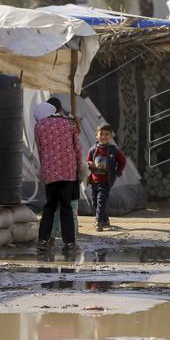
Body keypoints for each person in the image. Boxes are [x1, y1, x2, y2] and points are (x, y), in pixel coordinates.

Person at [34, 100, 82, 253]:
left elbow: (40, 150)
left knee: (49, 206)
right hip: (68, 172)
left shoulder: (39, 126)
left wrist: (44, 169)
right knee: (66, 207)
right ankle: (69, 244)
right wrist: (79, 167)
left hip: (50, 172)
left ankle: (43, 240)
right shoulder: (69, 123)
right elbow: (77, 148)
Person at [86, 124, 126, 231]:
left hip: (106, 181)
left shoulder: (113, 150)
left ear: (111, 136)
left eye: (107, 134)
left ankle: (98, 221)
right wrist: (90, 163)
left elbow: (122, 160)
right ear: (96, 135)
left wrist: (118, 172)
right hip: (94, 180)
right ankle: (105, 219)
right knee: (95, 201)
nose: (103, 136)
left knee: (101, 200)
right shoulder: (93, 149)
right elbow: (88, 160)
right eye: (101, 134)